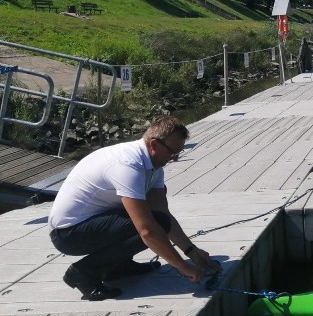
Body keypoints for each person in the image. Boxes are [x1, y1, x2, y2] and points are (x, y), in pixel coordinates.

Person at [48, 116, 222, 300]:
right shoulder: (128, 165)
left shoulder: (154, 166)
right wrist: (181, 265)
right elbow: (147, 230)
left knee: (157, 220)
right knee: (150, 226)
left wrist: (191, 251)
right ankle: (83, 274)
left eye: (178, 153)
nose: (175, 159)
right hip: (68, 234)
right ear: (154, 144)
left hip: (93, 223)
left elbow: (163, 214)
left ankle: (118, 266)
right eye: (173, 153)